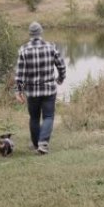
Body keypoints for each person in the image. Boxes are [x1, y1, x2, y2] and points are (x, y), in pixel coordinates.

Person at [15, 21, 66, 155]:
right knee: (48, 116)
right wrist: (60, 79)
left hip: (32, 91)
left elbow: (19, 73)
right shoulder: (51, 47)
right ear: (41, 32)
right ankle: (43, 143)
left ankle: (36, 143)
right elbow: (61, 65)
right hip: (49, 89)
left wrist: (18, 91)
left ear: (30, 34)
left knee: (34, 118)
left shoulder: (23, 50)